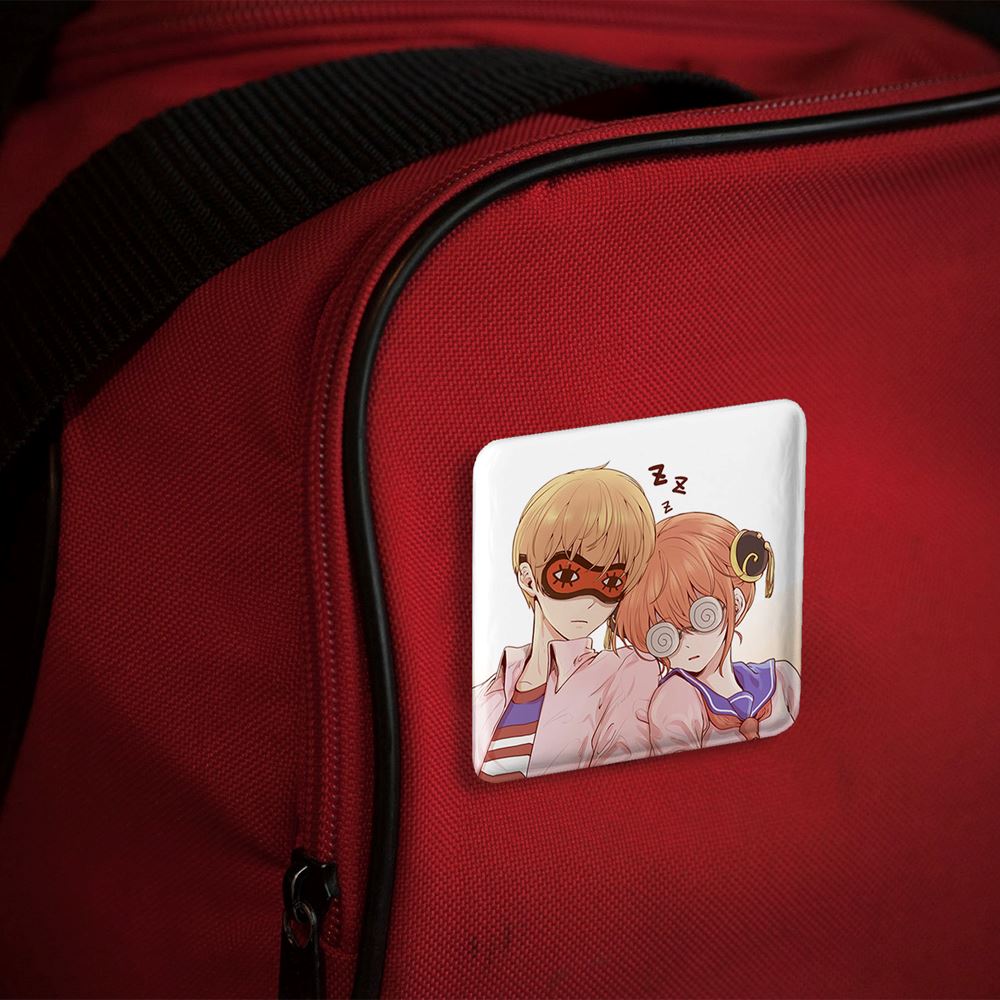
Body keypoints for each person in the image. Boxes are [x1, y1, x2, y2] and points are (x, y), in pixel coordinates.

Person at [473, 465, 658, 781]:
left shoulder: (624, 673)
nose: (590, 600)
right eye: (569, 576)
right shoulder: (485, 695)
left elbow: (623, 777)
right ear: (528, 578)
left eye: (611, 582)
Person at [614, 512, 800, 755]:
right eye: (664, 638)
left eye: (702, 617)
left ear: (736, 603)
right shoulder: (677, 699)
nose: (685, 644)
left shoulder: (779, 678)